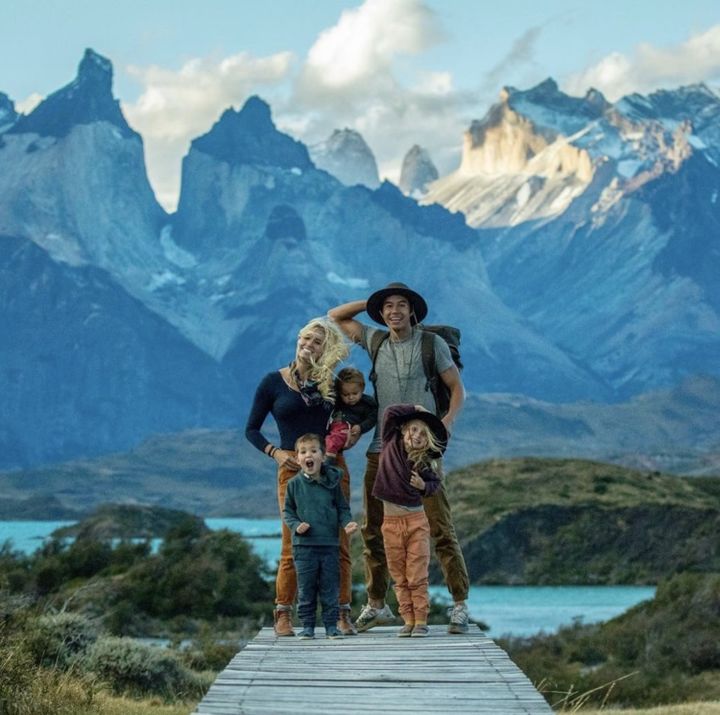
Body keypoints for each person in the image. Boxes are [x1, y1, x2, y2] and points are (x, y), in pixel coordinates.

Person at [328, 282, 470, 634]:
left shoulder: (430, 345)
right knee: (373, 530)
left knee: (440, 528)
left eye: (400, 305)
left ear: (412, 311)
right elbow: (336, 317)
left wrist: (447, 423)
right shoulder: (375, 341)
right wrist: (372, 302)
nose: (393, 311)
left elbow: (456, 388)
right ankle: (377, 604)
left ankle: (459, 605)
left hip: (422, 450)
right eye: (387, 306)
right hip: (381, 450)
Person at [245, 317, 356, 636]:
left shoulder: (333, 384)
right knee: (293, 541)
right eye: (305, 339)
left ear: (327, 349)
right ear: (297, 340)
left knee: (340, 543)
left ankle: (341, 614)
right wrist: (276, 453)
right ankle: (283, 613)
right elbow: (251, 429)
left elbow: (357, 412)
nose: (308, 345)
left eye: (317, 341)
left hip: (333, 470)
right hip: (292, 472)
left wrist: (356, 431)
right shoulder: (272, 382)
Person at [373, 404, 445, 637]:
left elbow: (435, 484)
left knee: (417, 574)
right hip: (391, 523)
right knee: (399, 575)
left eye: (423, 434)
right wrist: (416, 408)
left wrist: (423, 486)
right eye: (414, 429)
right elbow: (390, 413)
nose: (417, 436)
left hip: (416, 522)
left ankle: (421, 620)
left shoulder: (423, 463)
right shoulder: (389, 442)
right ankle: (408, 619)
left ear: (428, 442)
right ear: (403, 430)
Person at [283, 433, 359, 639]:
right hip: (304, 547)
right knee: (306, 590)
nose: (309, 455)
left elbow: (342, 508)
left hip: (330, 546)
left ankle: (331, 627)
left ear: (323, 456)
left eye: (314, 451)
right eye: (303, 452)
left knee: (330, 589)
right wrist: (296, 525)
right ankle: (307, 627)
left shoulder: (333, 482)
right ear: (298, 459)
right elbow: (287, 512)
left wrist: (347, 523)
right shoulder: (293, 485)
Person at [325, 367, 378, 463]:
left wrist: (361, 427)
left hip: (348, 429)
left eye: (355, 393)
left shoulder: (367, 404)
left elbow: (372, 418)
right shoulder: (338, 401)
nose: (351, 397)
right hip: (334, 426)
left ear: (362, 389)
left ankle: (329, 457)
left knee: (338, 436)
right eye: (345, 394)